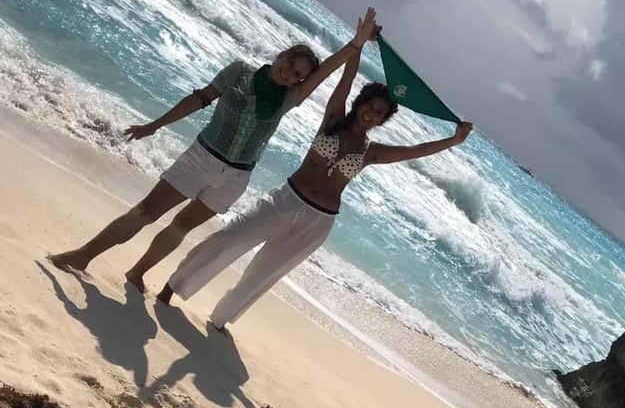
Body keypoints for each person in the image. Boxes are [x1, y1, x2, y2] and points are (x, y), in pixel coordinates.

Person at [48, 9, 381, 291]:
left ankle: (138, 273)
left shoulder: (287, 99)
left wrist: (356, 44)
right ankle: (82, 256)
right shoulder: (240, 71)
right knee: (146, 213)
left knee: (182, 226)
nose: (290, 75)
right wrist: (156, 124)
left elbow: (325, 73)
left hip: (236, 177)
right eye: (290, 65)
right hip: (202, 158)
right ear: (282, 55)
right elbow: (200, 98)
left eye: (297, 76)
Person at [156, 40, 473, 330]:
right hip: (286, 200)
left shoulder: (371, 151)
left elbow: (414, 152)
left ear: (382, 120)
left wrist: (453, 141)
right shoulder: (333, 119)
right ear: (359, 103)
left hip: (318, 222)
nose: (371, 114)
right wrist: (359, 45)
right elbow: (345, 84)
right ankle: (174, 285)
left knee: (263, 274)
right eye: (370, 106)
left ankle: (220, 321)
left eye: (379, 114)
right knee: (229, 239)